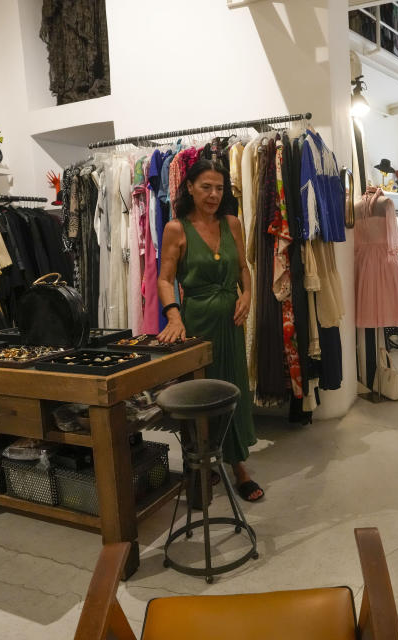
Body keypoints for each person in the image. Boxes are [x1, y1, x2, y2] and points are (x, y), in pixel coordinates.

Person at [157, 159, 263, 502]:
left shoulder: (232, 223)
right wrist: (173, 316)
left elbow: (244, 268)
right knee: (202, 396)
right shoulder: (176, 228)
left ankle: (238, 466)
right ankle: (201, 465)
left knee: (234, 391)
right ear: (189, 187)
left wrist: (247, 293)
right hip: (198, 324)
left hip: (231, 324)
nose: (214, 194)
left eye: (219, 188)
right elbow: (164, 279)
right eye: (206, 187)